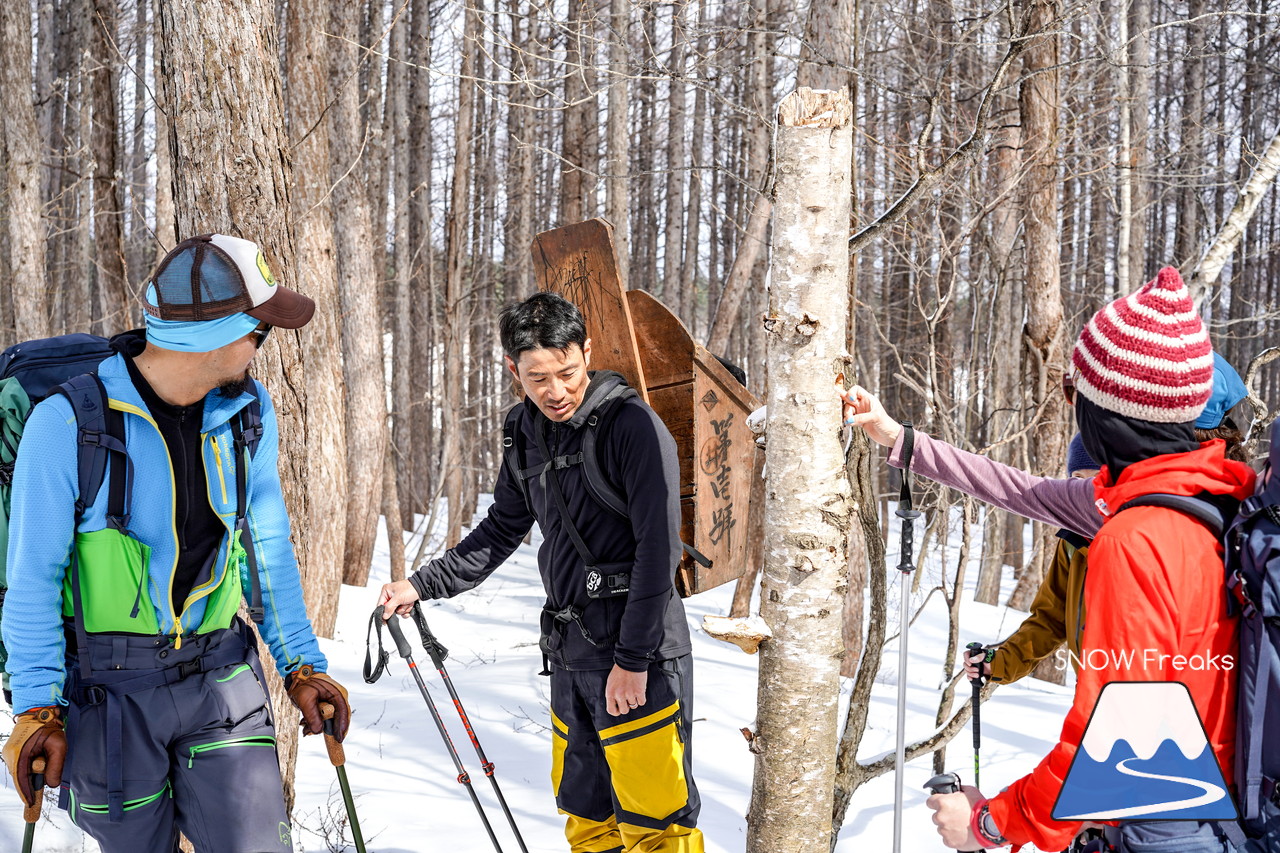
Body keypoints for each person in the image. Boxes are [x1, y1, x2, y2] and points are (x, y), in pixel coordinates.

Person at [847, 268, 1254, 851]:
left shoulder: (1135, 539)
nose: (1072, 409)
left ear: (1110, 412)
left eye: (1076, 393)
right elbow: (1016, 488)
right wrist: (897, 438)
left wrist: (990, 823)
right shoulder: (1216, 498)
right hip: (1223, 809)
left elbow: (1117, 749)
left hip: (1164, 825)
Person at [1, 234, 351, 852]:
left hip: (222, 673)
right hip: (111, 691)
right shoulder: (66, 426)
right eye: (261, 331)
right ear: (217, 335)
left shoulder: (248, 413)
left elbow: (265, 544)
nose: (261, 348)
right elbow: (33, 579)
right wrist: (37, 709)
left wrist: (302, 663)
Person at [379, 292, 703, 853]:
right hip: (571, 651)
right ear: (513, 371)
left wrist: (631, 662)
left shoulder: (633, 427)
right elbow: (503, 527)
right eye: (537, 378)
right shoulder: (522, 431)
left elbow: (658, 552)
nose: (555, 391)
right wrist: (422, 584)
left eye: (567, 372)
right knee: (587, 816)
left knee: (658, 828)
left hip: (639, 656)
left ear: (587, 353)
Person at [963, 354, 1249, 687]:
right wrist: (1001, 662)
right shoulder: (1073, 542)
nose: (1082, 488)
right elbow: (1051, 619)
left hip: (1164, 698)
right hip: (1102, 698)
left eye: (1092, 478)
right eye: (1075, 478)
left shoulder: (1185, 518)